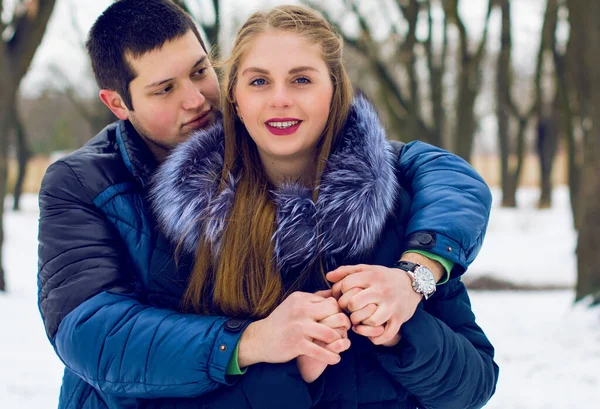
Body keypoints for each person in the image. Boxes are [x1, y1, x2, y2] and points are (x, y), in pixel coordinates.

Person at [36, 1, 495, 408]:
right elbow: (98, 339)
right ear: (117, 103)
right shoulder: (159, 205)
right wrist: (258, 346)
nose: (196, 100)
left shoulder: (392, 192)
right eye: (163, 89)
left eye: (200, 71)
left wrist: (412, 287)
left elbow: (439, 170)